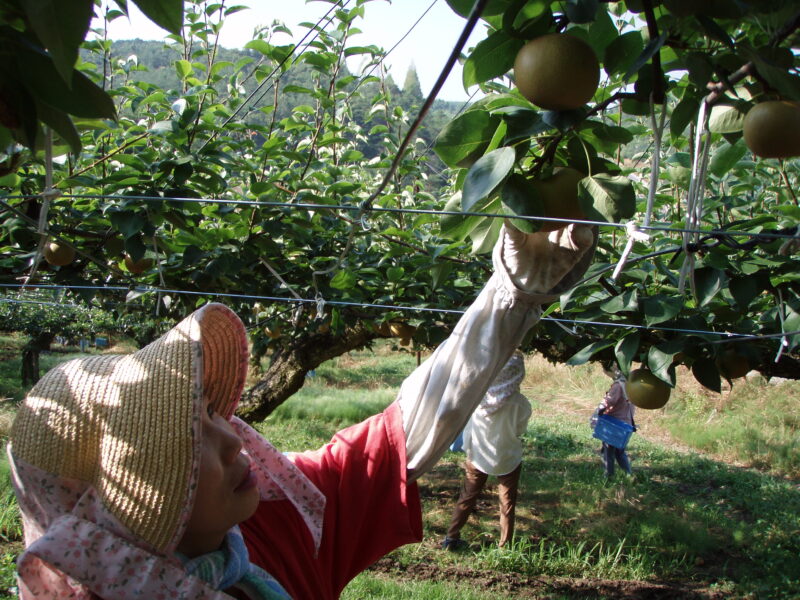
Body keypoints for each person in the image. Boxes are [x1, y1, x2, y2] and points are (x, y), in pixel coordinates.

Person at [7, 220, 596, 599]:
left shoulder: (276, 521)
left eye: (215, 417)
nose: (237, 440)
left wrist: (512, 296)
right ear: (123, 509)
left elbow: (402, 434)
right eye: (188, 446)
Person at [441, 350, 531, 551]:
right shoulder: (519, 402)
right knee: (507, 503)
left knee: (467, 496)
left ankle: (451, 537)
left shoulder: (479, 398)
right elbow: (520, 429)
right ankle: (504, 546)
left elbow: (470, 427)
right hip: (507, 456)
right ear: (518, 374)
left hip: (478, 455)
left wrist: (469, 449)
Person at [597, 368, 636, 478]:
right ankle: (629, 475)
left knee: (608, 451)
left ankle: (608, 476)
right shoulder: (631, 386)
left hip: (614, 423)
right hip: (626, 423)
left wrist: (598, 412)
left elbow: (609, 401)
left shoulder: (618, 386)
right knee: (620, 452)